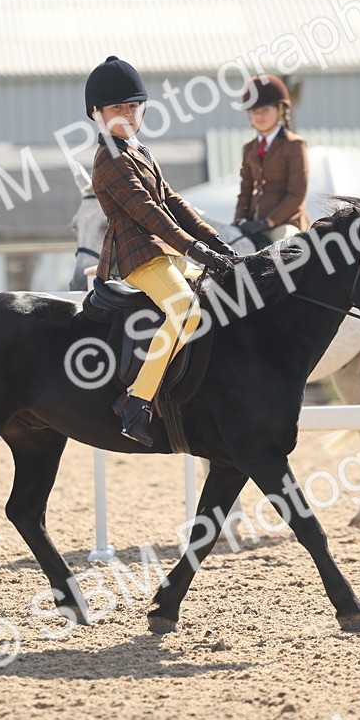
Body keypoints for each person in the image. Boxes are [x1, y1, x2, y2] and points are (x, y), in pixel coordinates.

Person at [87, 56, 235, 446]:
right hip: (137, 256)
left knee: (224, 297)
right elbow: (148, 213)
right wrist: (198, 250)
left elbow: (173, 202)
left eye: (134, 107)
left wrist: (218, 244)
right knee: (185, 307)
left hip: (164, 252)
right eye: (118, 108)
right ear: (97, 114)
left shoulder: (141, 151)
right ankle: (136, 401)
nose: (129, 115)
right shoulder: (109, 157)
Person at [233, 74, 310, 251]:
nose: (259, 116)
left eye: (265, 110)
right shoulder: (249, 148)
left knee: (284, 243)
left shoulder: (294, 144)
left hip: (285, 223)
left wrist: (268, 222)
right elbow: (245, 191)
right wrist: (239, 220)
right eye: (254, 111)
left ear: (280, 110)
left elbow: (297, 194)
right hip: (253, 224)